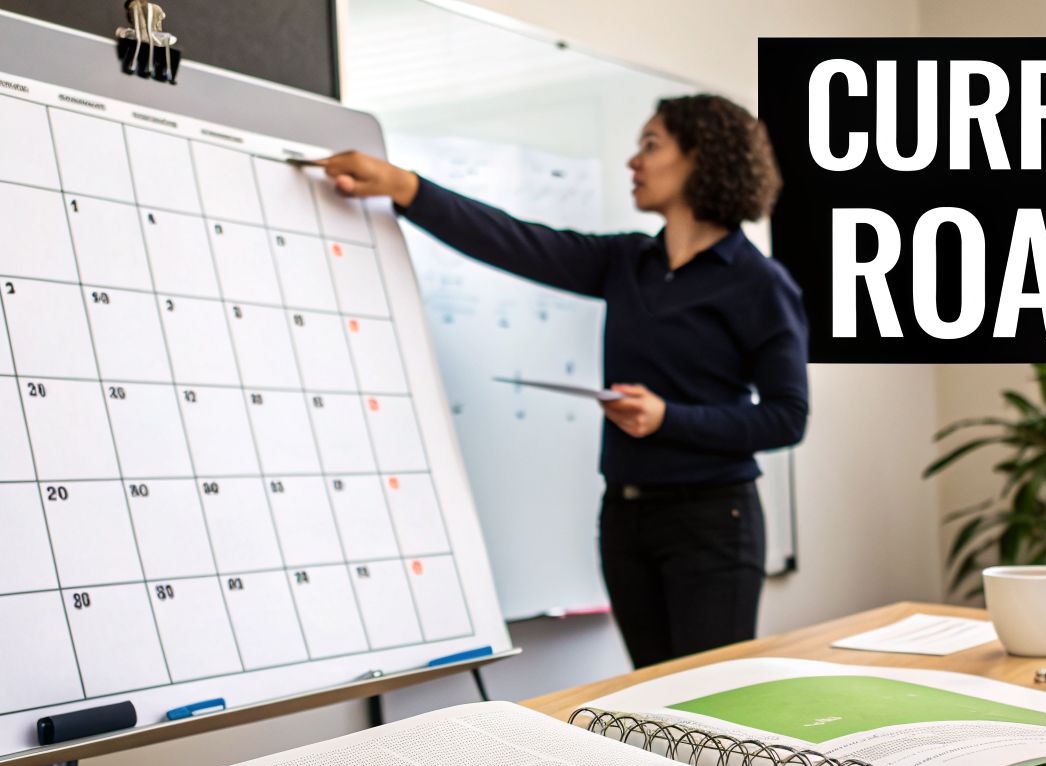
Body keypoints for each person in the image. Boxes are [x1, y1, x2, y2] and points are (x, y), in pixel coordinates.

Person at [318, 95, 807, 668]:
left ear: (703, 158)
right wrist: (406, 187)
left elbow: (786, 416)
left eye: (650, 145)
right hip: (625, 518)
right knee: (653, 698)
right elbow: (516, 241)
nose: (634, 162)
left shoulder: (759, 284)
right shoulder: (628, 263)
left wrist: (668, 417)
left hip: (712, 523)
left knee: (709, 709)